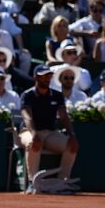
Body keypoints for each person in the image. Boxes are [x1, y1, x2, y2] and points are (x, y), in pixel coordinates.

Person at [20, 65, 79, 194]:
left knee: (71, 145)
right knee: (33, 143)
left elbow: (64, 116)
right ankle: (32, 184)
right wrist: (34, 134)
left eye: (49, 76)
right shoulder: (27, 95)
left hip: (50, 133)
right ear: (36, 78)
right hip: (28, 131)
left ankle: (62, 182)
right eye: (44, 76)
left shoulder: (57, 96)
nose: (47, 78)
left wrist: (72, 135)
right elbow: (27, 117)